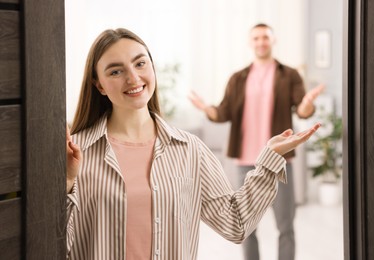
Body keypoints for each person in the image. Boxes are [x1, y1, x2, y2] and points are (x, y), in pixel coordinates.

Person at [66, 27, 320, 260]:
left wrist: (269, 159)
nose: (133, 78)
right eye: (116, 71)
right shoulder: (74, 154)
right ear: (98, 84)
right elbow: (50, 244)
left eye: (140, 63)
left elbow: (235, 223)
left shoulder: (190, 150)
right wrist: (66, 184)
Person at [189, 23, 324, 260]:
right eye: (256, 38)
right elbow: (223, 113)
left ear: (273, 41)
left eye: (265, 37)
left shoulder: (289, 74)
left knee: (285, 225)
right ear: (250, 42)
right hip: (245, 161)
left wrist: (307, 103)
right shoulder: (238, 78)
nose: (261, 42)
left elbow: (302, 109)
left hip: (278, 161)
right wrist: (206, 109)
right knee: (246, 227)